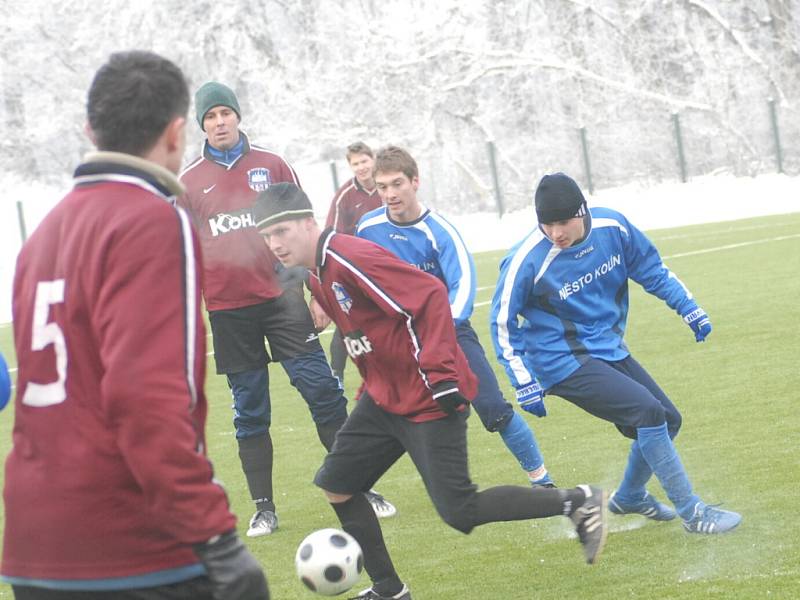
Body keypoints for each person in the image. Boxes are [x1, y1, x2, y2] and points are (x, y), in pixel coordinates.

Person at [253, 183, 608, 600]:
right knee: (338, 485)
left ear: (309, 223)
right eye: (266, 237)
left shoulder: (349, 256)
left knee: (460, 510)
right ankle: (389, 589)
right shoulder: (319, 274)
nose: (275, 244)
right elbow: (373, 330)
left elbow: (427, 296)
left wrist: (441, 376)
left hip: (429, 396)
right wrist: (371, 380)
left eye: (282, 232)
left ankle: (578, 502)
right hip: (385, 398)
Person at [1, 51, 268, 599]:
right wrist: (215, 537)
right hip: (130, 546)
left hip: (33, 544)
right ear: (177, 133)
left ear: (89, 128)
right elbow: (145, 397)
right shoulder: (153, 219)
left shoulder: (41, 236)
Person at [178, 82, 394, 535]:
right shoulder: (189, 181)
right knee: (250, 410)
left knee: (323, 392)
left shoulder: (272, 165)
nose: (219, 122)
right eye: (210, 116)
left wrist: (316, 291)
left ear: (237, 117)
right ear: (202, 123)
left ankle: (358, 487)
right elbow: (182, 250)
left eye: (225, 113)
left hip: (283, 300)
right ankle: (264, 508)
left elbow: (306, 233)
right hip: (228, 310)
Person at [490, 172, 742, 535]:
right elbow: (501, 322)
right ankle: (693, 512)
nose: (555, 233)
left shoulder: (613, 227)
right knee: (648, 412)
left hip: (605, 347)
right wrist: (524, 381)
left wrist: (688, 307)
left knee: (667, 420)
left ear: (582, 212)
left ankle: (630, 496)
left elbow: (651, 269)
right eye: (546, 224)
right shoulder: (527, 259)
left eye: (563, 222)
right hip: (560, 360)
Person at [356, 146, 554, 487]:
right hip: (396, 339)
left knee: (493, 408)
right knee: (377, 413)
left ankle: (543, 482)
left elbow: (462, 289)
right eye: (382, 186)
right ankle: (357, 489)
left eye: (397, 184)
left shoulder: (440, 231)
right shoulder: (367, 228)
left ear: (415, 182)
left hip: (446, 335)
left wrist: (436, 337)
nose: (389, 194)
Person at [324, 141, 383, 383]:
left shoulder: (387, 186)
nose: (361, 167)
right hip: (357, 269)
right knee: (348, 320)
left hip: (388, 266)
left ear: (373, 160)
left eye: (364, 161)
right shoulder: (344, 198)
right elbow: (332, 234)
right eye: (355, 163)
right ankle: (336, 374)